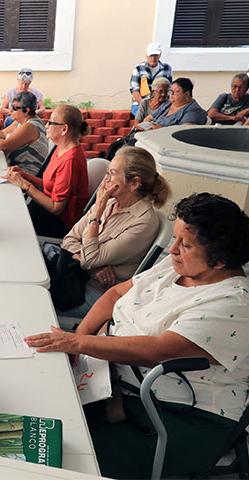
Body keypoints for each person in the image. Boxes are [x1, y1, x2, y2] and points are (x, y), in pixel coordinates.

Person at [25, 192, 249, 479]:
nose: (173, 249)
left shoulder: (232, 303)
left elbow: (160, 350)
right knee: (38, 414)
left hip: (177, 416)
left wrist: (77, 343)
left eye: (186, 244)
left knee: (58, 459)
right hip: (113, 379)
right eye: (176, 238)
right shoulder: (178, 266)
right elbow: (116, 292)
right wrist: (78, 342)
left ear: (220, 261)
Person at [58, 146, 171, 318]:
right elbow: (69, 240)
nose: (106, 180)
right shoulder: (110, 202)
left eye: (112, 174)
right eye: (107, 173)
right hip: (74, 276)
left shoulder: (144, 221)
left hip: (92, 294)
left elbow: (90, 259)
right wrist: (93, 269)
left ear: (134, 183)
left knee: (35, 299)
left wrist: (96, 214)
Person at [3, 104, 89, 237]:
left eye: (51, 122)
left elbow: (56, 208)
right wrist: (24, 175)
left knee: (10, 225)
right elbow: (50, 185)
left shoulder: (70, 160)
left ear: (64, 129)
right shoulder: (61, 147)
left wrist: (25, 185)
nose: (46, 126)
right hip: (45, 209)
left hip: (60, 223)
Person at [0, 91, 49, 176]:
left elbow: (4, 146)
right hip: (16, 168)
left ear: (26, 110)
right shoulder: (21, 121)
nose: (11, 110)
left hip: (27, 173)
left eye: (14, 108)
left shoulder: (30, 126)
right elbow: (3, 133)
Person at [136, 77, 207, 130]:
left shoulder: (193, 112)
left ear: (187, 94)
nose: (171, 95)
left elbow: (183, 135)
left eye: (176, 92)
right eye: (171, 91)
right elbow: (148, 118)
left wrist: (160, 129)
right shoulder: (169, 104)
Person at [129, 43, 173, 116]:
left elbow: (169, 89)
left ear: (160, 55)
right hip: (140, 103)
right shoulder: (139, 68)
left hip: (161, 104)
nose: (153, 58)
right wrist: (145, 105)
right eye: (151, 55)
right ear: (146, 56)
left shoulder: (167, 68)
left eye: (156, 55)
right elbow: (134, 90)